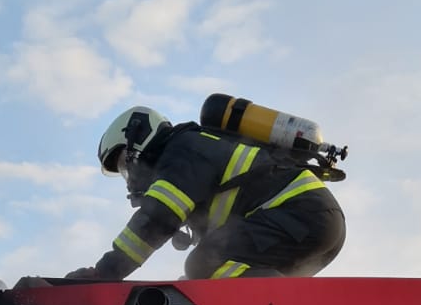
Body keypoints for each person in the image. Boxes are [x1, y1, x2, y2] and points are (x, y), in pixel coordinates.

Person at [56, 106, 345, 284]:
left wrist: (105, 272)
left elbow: (157, 220)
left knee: (204, 263)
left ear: (137, 136)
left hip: (300, 214)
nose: (127, 174)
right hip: (311, 224)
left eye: (122, 162)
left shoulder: (184, 149)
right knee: (207, 270)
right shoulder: (194, 153)